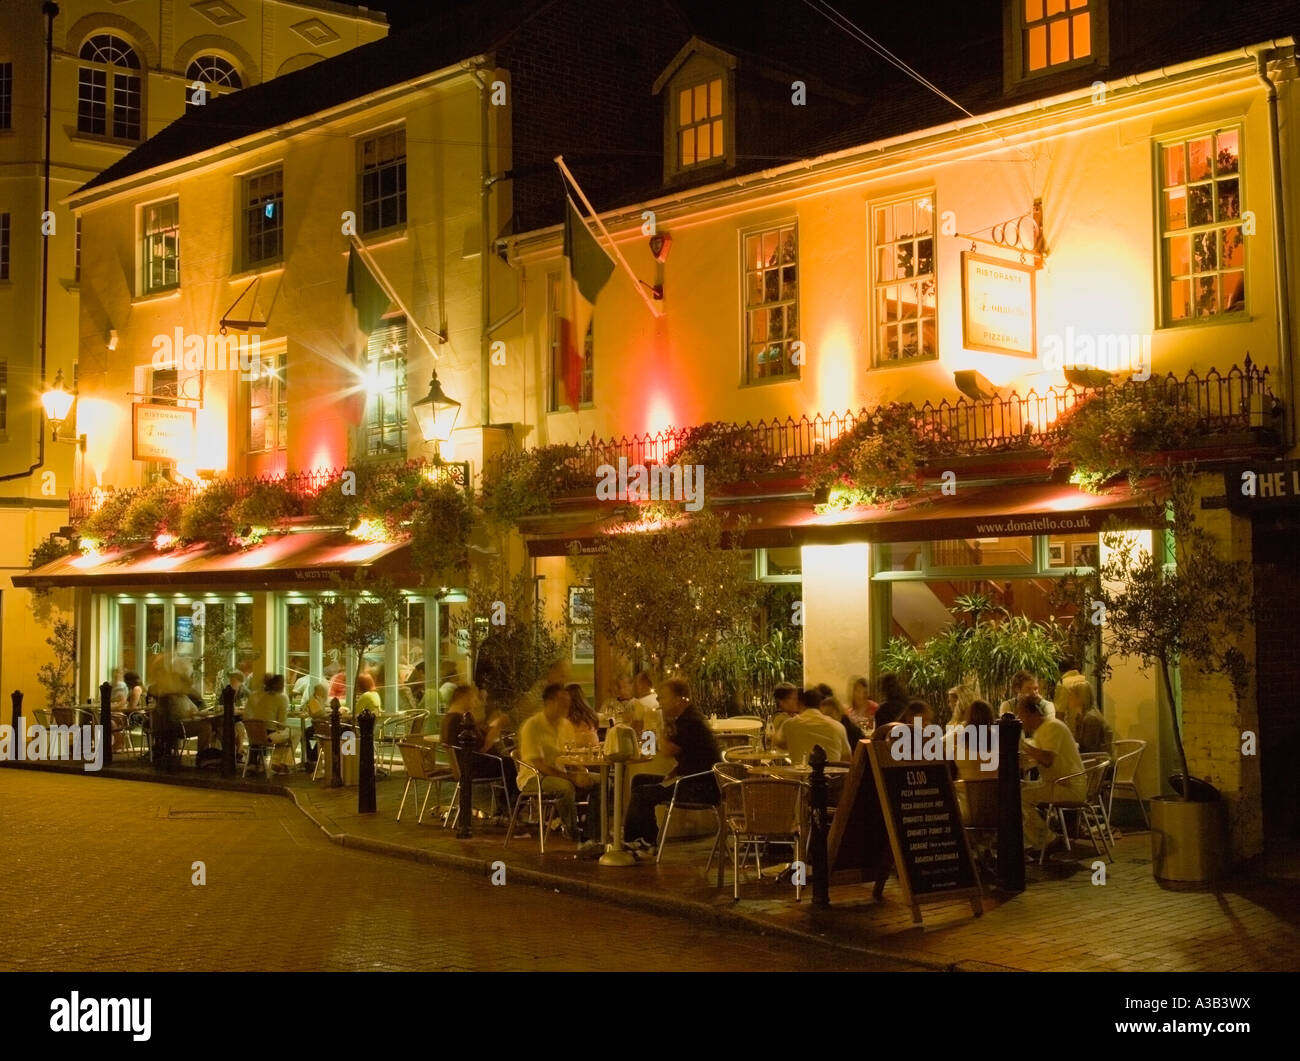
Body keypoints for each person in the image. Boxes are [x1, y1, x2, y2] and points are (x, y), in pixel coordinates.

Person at [625, 679, 720, 854]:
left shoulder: (689, 721)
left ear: (679, 699)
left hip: (699, 787)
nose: (660, 702)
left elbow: (667, 750)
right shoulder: (687, 718)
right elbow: (693, 755)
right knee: (639, 780)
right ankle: (640, 839)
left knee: (642, 792)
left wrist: (657, 720)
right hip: (693, 780)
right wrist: (674, 771)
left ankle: (644, 841)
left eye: (664, 698)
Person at [516, 685, 600, 846]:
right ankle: (573, 833)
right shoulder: (532, 726)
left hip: (562, 771)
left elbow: (568, 756)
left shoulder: (565, 725)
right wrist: (572, 778)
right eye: (563, 702)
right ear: (549, 702)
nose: (567, 706)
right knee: (565, 787)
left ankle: (594, 833)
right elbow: (539, 765)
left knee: (602, 781)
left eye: (568, 702)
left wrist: (581, 772)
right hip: (534, 777)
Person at [1016, 694, 1085, 855]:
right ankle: (1037, 841)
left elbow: (1047, 759)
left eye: (1021, 714)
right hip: (1057, 783)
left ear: (1032, 713)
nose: (1020, 719)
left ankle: (1049, 840)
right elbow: (1038, 758)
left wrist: (1022, 746)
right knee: (1020, 788)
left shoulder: (1052, 727)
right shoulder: (1043, 730)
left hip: (1068, 786)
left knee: (1020, 797)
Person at [776, 688, 852, 763]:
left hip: (799, 774)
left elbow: (778, 744)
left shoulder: (789, 724)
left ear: (800, 704)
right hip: (831, 774)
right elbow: (847, 757)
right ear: (820, 705)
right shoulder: (838, 726)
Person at [245, 673, 294, 772]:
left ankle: (277, 761)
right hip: (268, 736)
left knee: (285, 734)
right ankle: (282, 762)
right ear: (281, 686)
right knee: (295, 733)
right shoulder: (282, 698)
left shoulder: (263, 697)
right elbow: (281, 724)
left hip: (255, 735)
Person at [1070, 683, 1114, 756]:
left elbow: (1089, 749)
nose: (1069, 697)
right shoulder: (1080, 716)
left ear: (1080, 697)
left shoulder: (1091, 718)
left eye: (1072, 695)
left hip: (1099, 762)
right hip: (1089, 759)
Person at [630, 671, 663, 743]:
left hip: (647, 740)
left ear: (643, 683)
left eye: (638, 683)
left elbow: (636, 727)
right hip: (660, 739)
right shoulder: (658, 698)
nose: (637, 686)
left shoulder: (641, 703)